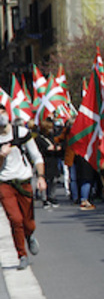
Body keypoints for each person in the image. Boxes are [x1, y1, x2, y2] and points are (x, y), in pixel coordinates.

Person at [0, 113, 45, 270]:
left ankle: (29, 234)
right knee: (15, 219)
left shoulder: (21, 133)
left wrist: (40, 177)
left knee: (27, 222)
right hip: (4, 183)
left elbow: (36, 156)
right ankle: (22, 255)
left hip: (24, 181)